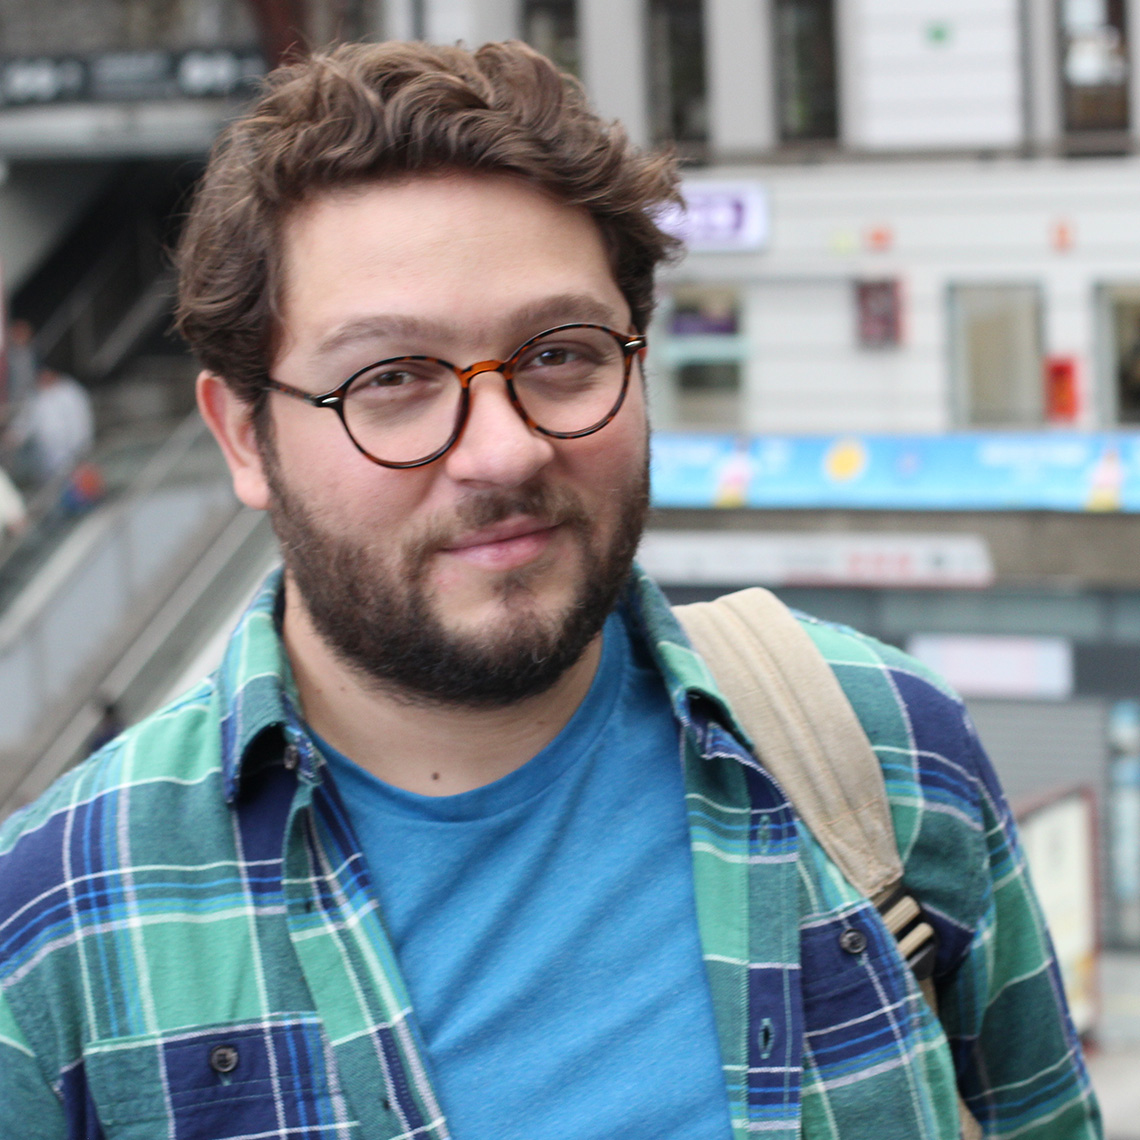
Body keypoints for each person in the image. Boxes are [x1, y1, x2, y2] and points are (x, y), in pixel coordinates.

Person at [0, 41, 1101, 1140]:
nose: (505, 451)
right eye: (391, 379)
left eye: (562, 354)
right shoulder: (58, 924)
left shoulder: (887, 756)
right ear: (244, 436)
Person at [5, 365, 95, 483]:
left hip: (72, 461)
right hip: (45, 464)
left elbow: (82, 425)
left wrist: (80, 454)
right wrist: (12, 437)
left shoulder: (70, 392)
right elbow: (25, 423)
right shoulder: (36, 395)